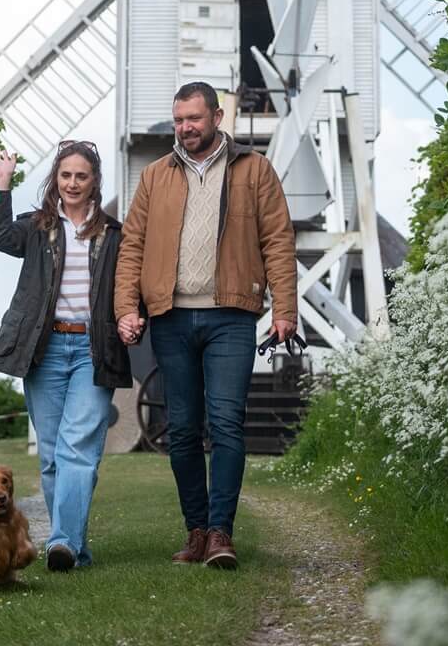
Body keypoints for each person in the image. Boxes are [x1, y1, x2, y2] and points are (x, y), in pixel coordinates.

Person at [113, 81, 297, 570]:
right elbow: (132, 245)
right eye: (178, 120)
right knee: (183, 430)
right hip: (170, 316)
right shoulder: (154, 176)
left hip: (231, 315)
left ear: (217, 117)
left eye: (193, 118)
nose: (184, 128)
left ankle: (221, 533)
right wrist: (126, 307)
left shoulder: (253, 169)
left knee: (226, 423)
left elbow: (278, 239)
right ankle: (196, 532)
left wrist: (284, 310)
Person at [0, 139, 134, 572]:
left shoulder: (114, 235)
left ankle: (60, 540)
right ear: (56, 179)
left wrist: (131, 316)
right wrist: (3, 184)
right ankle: (74, 549)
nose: (72, 183)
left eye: (81, 176)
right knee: (51, 455)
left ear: (94, 182)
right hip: (44, 349)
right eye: (65, 175)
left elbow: (129, 286)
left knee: (78, 450)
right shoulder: (36, 227)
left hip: (93, 348)